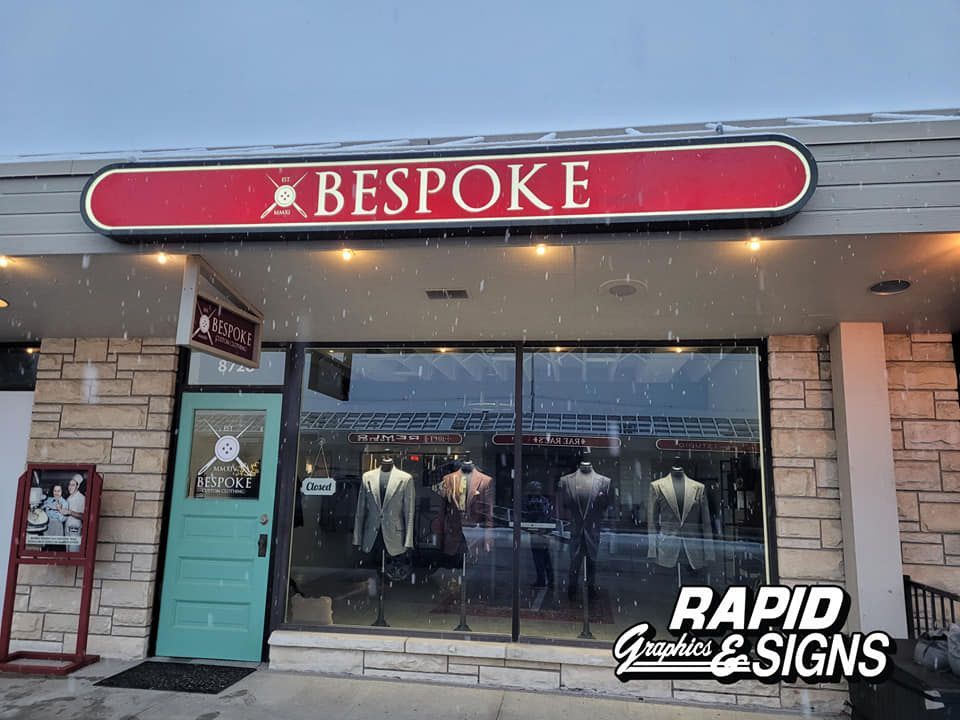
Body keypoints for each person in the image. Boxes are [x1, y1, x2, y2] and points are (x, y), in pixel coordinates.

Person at [523, 481, 554, 589]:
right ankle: (550, 580)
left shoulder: (538, 501)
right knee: (545, 558)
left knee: (540, 558)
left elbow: (534, 516)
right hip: (541, 531)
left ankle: (543, 580)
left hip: (539, 532)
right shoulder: (543, 501)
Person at [64, 474, 86, 544]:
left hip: (75, 529)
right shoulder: (68, 498)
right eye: (69, 485)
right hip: (67, 528)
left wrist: (70, 512)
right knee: (68, 552)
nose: (70, 487)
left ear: (78, 486)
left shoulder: (81, 498)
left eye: (73, 485)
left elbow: (83, 516)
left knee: (74, 551)